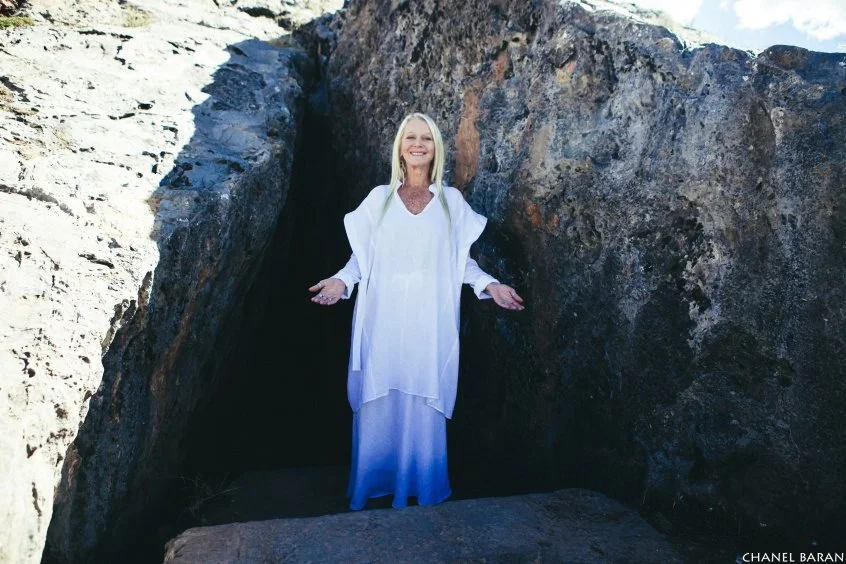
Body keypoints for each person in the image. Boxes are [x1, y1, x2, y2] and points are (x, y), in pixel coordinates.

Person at [308, 112, 524, 510]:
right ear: (400, 147)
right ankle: (371, 486)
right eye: (411, 137)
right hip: (383, 321)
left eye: (426, 138)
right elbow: (360, 259)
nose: (418, 144)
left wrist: (489, 285)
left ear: (436, 148)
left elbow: (462, 262)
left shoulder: (450, 203)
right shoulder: (380, 200)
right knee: (380, 398)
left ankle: (420, 490)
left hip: (428, 325)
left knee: (422, 402)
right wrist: (341, 282)